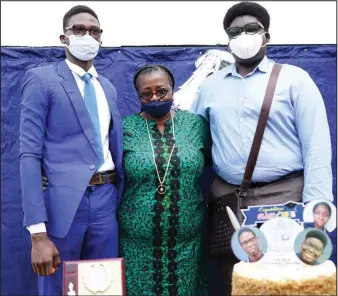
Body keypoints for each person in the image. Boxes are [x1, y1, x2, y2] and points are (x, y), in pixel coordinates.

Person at [191, 1, 333, 294]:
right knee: (239, 280)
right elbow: (198, 144)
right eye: (235, 31)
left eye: (251, 29)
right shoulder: (210, 87)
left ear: (267, 36)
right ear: (228, 40)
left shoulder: (295, 80)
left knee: (289, 280)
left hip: (286, 198)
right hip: (230, 200)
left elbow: (317, 148)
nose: (243, 36)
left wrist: (317, 211)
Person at [20, 5, 124, 295]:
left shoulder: (108, 89)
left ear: (101, 38)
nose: (87, 35)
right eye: (79, 30)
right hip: (63, 205)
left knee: (104, 286)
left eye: (94, 30)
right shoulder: (42, 80)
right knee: (58, 286)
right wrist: (37, 234)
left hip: (106, 201)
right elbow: (29, 155)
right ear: (64, 38)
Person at [117, 64, 210, 296]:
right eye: (146, 94)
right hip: (137, 247)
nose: (155, 97)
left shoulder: (195, 125)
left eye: (161, 91)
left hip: (188, 245)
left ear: (172, 90)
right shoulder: (124, 129)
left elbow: (209, 162)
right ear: (138, 96)